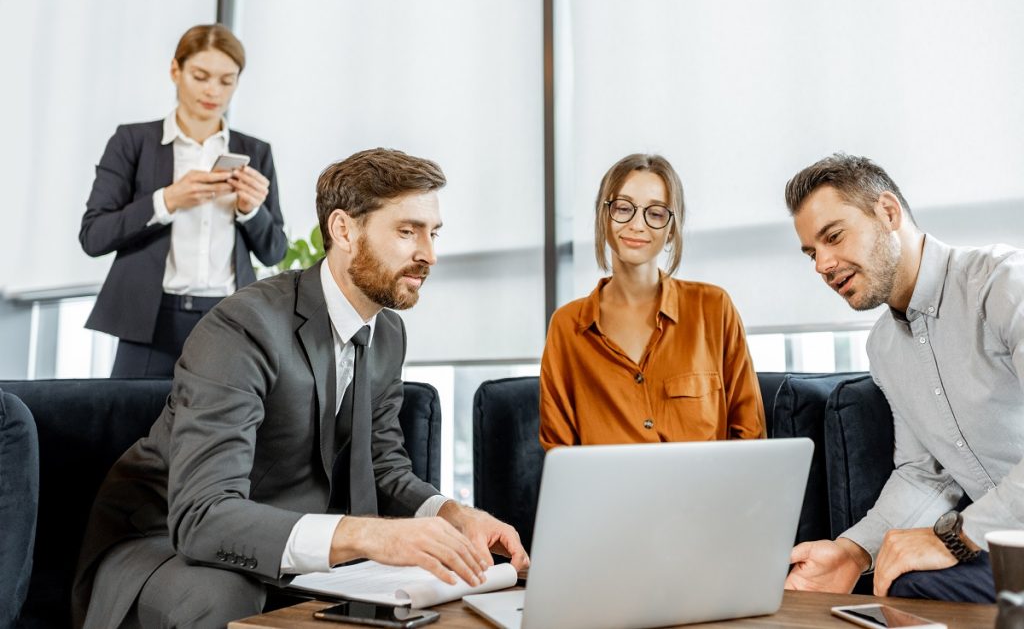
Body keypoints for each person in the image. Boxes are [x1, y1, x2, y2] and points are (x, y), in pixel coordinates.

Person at [72, 148, 528, 629]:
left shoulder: (388, 331)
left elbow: (383, 467)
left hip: (289, 538)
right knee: (223, 594)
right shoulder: (243, 326)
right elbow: (202, 514)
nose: (429, 255)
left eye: (433, 233)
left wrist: (451, 514)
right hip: (163, 540)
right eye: (407, 231)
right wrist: (369, 536)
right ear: (343, 230)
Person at [783, 153, 1024, 603]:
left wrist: (954, 536)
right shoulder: (885, 348)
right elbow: (926, 475)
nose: (821, 265)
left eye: (833, 237)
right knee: (901, 585)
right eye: (811, 252)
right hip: (1006, 551)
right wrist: (853, 552)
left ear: (888, 212)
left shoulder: (1005, 285)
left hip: (999, 542)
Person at [80, 23, 287, 378]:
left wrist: (250, 210)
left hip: (230, 319)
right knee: (132, 427)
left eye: (227, 80)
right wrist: (167, 199)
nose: (213, 91)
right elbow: (94, 236)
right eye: (201, 76)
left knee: (221, 430)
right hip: (149, 321)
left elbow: (275, 251)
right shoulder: (133, 142)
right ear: (176, 71)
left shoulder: (254, 151)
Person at [539, 153, 765, 450]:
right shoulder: (567, 327)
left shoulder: (714, 308)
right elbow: (560, 453)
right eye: (623, 208)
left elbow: (750, 435)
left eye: (656, 213)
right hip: (608, 496)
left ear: (672, 227)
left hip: (706, 495)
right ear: (603, 216)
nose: (637, 224)